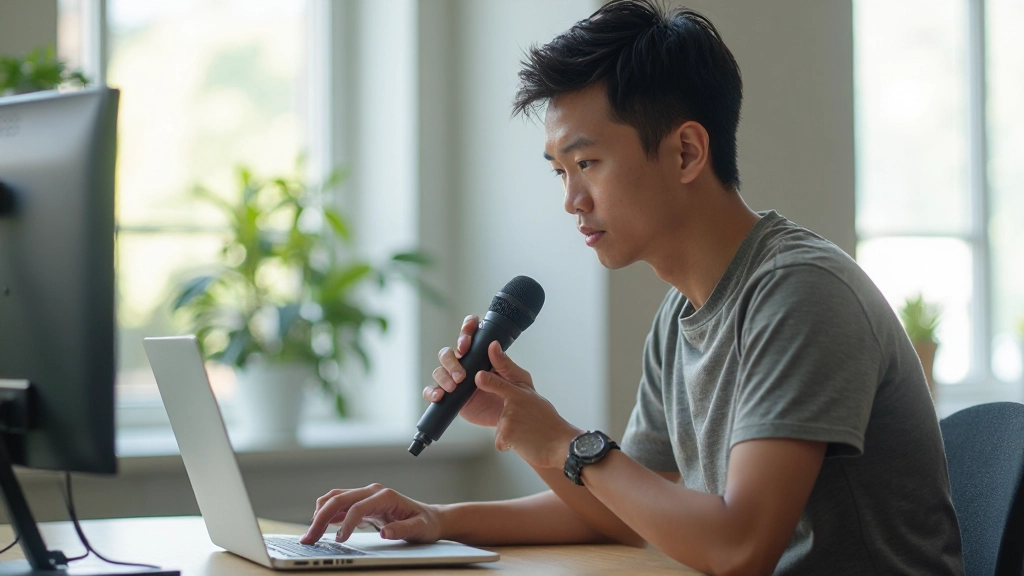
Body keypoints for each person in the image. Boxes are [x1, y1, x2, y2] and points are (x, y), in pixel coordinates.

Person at [300, 1, 964, 574]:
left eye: (587, 163)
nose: (571, 200)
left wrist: (565, 442)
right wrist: (448, 510)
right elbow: (628, 515)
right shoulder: (682, 315)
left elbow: (740, 549)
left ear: (685, 153)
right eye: (559, 171)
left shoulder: (800, 293)